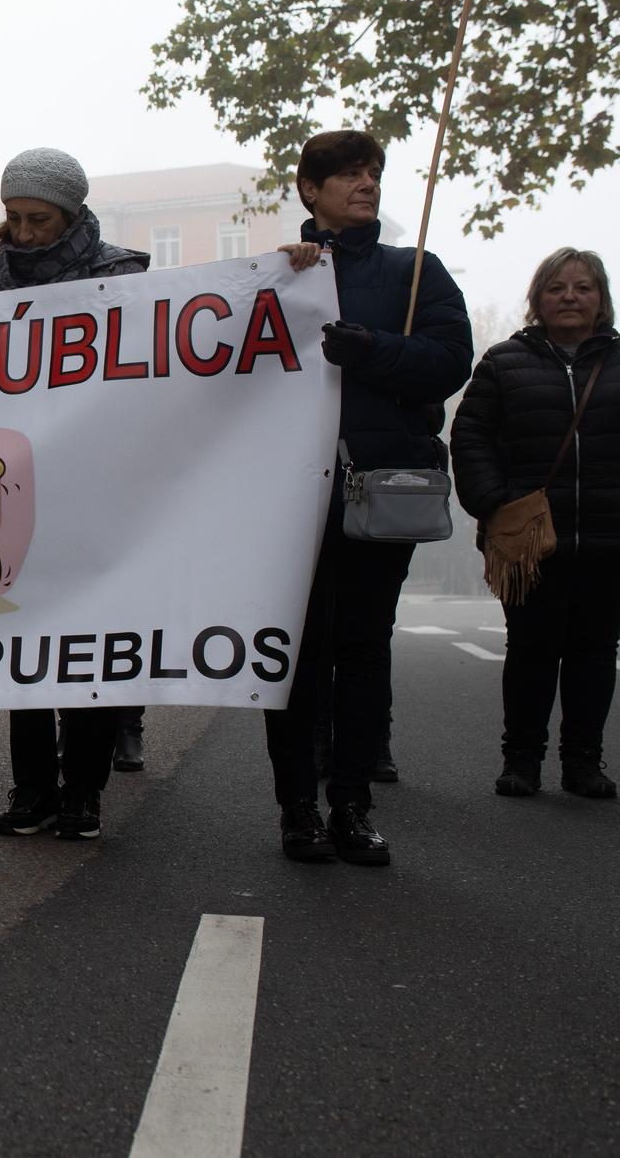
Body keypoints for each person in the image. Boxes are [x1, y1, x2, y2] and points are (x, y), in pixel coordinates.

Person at [272, 130, 473, 863]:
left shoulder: (415, 272)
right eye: (350, 174)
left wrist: (375, 350)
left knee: (360, 648)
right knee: (294, 653)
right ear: (310, 189)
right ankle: (297, 806)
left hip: (378, 489)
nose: (367, 184)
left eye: (374, 173)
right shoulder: (278, 275)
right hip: (291, 495)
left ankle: (351, 804)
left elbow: (450, 360)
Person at [0, 148, 149, 843]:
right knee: (26, 641)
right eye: (12, 218)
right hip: (23, 486)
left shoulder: (123, 276)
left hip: (101, 487)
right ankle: (33, 788)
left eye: (37, 218)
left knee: (91, 646)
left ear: (71, 214)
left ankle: (83, 790)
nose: (22, 232)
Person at [452, 248, 619, 800]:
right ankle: (521, 760)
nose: (570, 296)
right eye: (557, 288)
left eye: (583, 287)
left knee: (595, 653)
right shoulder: (503, 363)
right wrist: (493, 501)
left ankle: (584, 763)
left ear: (602, 300)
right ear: (538, 300)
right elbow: (471, 436)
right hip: (527, 543)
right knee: (530, 650)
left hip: (606, 538)